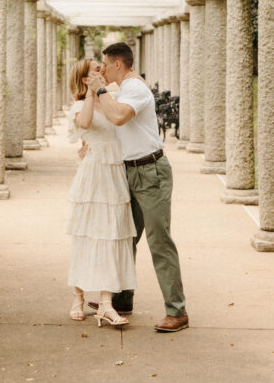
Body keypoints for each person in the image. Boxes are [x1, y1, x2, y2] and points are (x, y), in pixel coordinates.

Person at [86, 42, 189, 333]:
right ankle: (121, 298)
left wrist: (101, 90)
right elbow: (105, 114)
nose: (102, 69)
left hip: (151, 172)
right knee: (124, 238)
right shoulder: (125, 89)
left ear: (119, 64)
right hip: (130, 172)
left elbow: (118, 116)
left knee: (160, 242)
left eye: (105, 64)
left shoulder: (137, 89)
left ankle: (177, 311)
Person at [66, 58, 136, 328]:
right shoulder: (80, 104)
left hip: (114, 172)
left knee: (112, 236)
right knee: (86, 235)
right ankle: (78, 295)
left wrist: (104, 90)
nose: (103, 72)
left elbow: (129, 91)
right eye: (97, 70)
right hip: (93, 173)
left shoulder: (114, 96)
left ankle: (106, 304)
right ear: (85, 79)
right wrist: (92, 93)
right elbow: (84, 124)